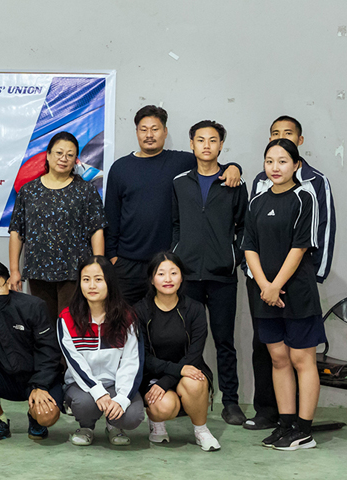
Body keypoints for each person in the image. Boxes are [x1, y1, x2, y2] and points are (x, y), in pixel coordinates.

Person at [244, 116, 336, 431]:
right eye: (270, 161)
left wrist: (276, 286)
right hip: (265, 295)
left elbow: (300, 248)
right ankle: (285, 423)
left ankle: (304, 428)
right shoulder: (256, 200)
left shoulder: (304, 197)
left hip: (294, 293)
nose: (275, 167)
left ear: (296, 164)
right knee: (279, 360)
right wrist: (264, 286)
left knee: (301, 360)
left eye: (283, 161)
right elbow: (249, 246)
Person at [105, 106, 241, 305]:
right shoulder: (120, 167)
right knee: (126, 326)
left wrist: (234, 166)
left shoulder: (182, 161)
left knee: (165, 326)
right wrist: (112, 258)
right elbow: (112, 214)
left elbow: (210, 161)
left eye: (155, 129)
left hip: (167, 263)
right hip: (127, 264)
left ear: (165, 132)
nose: (149, 135)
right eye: (143, 129)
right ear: (136, 132)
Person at [171, 120, 249, 425]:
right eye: (200, 140)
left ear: (221, 146)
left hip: (221, 276)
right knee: (187, 341)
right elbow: (175, 223)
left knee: (224, 341)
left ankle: (230, 402)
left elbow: (244, 227)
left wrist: (234, 256)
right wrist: (178, 254)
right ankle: (189, 397)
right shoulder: (180, 182)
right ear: (191, 144)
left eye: (213, 140)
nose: (206, 145)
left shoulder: (234, 182)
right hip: (187, 275)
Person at [8, 131, 106, 320]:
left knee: (71, 326)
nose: (64, 159)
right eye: (59, 153)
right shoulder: (29, 191)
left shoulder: (85, 191)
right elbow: (16, 232)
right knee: (43, 329)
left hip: (74, 273)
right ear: (48, 155)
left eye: (70, 155)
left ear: (75, 160)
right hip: (38, 272)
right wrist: (14, 271)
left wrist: (98, 267)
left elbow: (97, 230)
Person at [0, 260, 64, 443]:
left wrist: (40, 385)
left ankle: (35, 418)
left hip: (40, 376)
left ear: (8, 282)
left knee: (47, 416)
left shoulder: (33, 306)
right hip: (7, 376)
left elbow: (49, 349)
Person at [133, 252, 221, 452]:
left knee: (195, 382)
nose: (168, 279)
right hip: (153, 373)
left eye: (174, 273)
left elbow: (195, 354)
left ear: (181, 277)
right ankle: (156, 422)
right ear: (152, 279)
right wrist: (169, 377)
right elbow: (142, 356)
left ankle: (201, 430)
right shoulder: (140, 311)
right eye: (161, 274)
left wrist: (168, 380)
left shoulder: (195, 309)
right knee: (163, 407)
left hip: (189, 370)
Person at [59, 256, 144, 446]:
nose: (92, 286)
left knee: (133, 415)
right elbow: (75, 364)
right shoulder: (67, 318)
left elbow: (132, 362)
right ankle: (86, 426)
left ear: (110, 282)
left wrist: (121, 398)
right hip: (83, 386)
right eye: (86, 279)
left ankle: (114, 426)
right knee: (85, 405)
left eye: (98, 279)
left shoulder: (128, 317)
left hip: (116, 383)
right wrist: (98, 392)